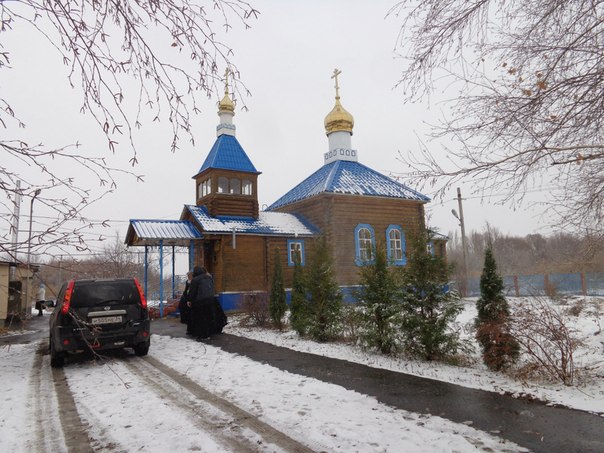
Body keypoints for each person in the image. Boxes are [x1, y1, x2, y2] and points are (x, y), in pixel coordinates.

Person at [187, 266, 215, 341]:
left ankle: (202, 335)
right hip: (210, 300)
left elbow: (192, 292)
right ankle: (208, 333)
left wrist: (189, 300)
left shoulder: (195, 280)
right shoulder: (209, 277)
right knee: (208, 318)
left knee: (200, 319)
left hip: (200, 302)